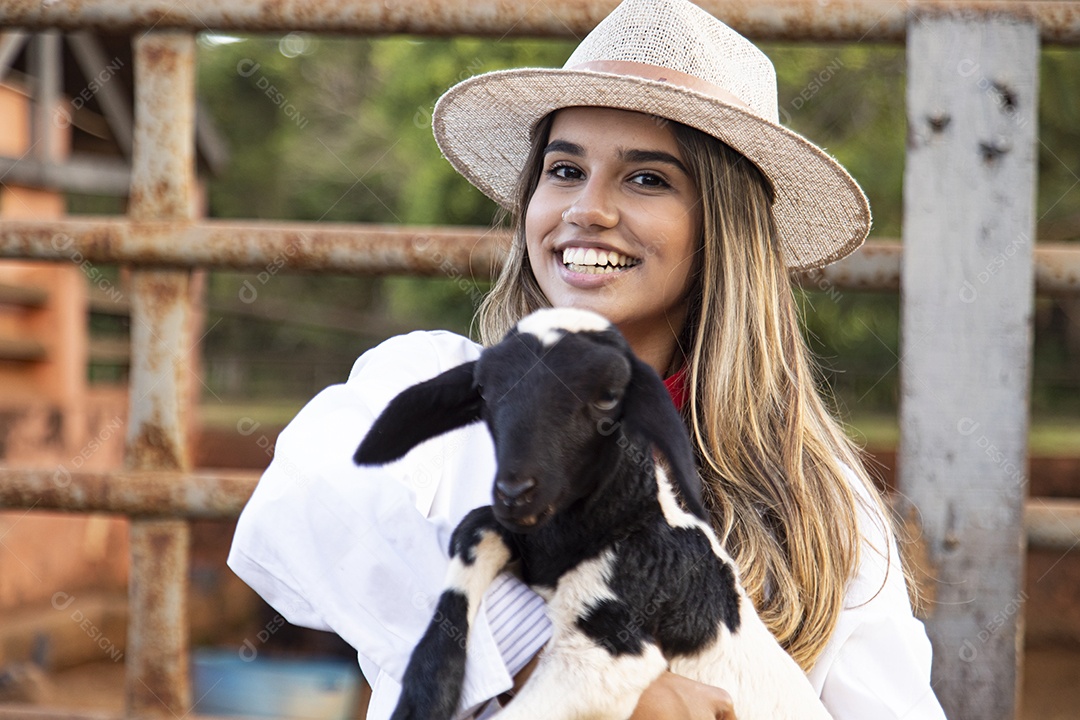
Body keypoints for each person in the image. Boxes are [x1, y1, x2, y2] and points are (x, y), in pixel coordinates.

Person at [228, 0, 948, 718]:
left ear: (723, 231)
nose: (587, 209)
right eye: (564, 169)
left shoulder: (819, 497)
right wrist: (573, 663)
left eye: (646, 179)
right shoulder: (433, 381)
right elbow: (296, 508)